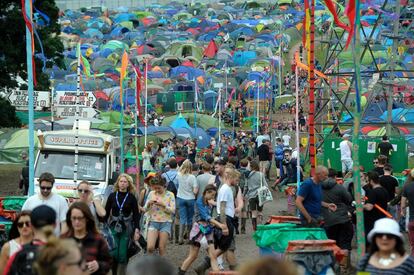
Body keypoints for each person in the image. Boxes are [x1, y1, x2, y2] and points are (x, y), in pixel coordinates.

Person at [179, 185, 227, 274]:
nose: (213, 197)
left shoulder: (208, 202)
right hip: (198, 231)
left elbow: (208, 218)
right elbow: (206, 216)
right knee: (193, 256)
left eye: (214, 196)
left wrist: (214, 223)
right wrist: (219, 224)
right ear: (206, 192)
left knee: (212, 256)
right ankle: (180, 272)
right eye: (212, 195)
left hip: (208, 231)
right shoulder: (199, 202)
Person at [4, 205, 56, 275]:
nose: (24, 226)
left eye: (27, 224)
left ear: (32, 225)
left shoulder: (17, 254)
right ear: (54, 225)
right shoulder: (63, 253)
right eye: (20, 224)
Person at [105, 174, 141, 275]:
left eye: (125, 182)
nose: (123, 183)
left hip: (126, 227)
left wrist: (137, 230)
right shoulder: (112, 196)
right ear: (118, 183)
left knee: (122, 254)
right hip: (113, 226)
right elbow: (106, 212)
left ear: (128, 184)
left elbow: (136, 215)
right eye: (121, 181)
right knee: (113, 253)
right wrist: (102, 227)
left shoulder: (131, 197)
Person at [62, 202, 112, 275]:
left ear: (87, 219)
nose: (77, 222)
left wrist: (98, 265)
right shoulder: (63, 239)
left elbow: (108, 263)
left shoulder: (98, 239)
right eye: (74, 218)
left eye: (80, 218)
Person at [321, 169, 354, 272]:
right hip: (342, 219)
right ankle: (344, 268)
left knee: (330, 244)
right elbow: (349, 199)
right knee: (344, 244)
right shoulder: (339, 188)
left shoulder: (318, 188)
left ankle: (332, 267)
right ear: (335, 176)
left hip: (327, 221)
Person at [144, 174, 175, 256]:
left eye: (159, 188)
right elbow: (145, 209)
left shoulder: (170, 195)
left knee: (162, 247)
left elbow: (173, 211)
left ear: (164, 185)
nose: (157, 190)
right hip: (153, 221)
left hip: (166, 222)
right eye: (155, 188)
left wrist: (163, 205)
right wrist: (148, 204)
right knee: (150, 247)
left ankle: (161, 266)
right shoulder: (151, 193)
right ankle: (150, 264)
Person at [364, 171, 389, 247]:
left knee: (371, 241)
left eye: (367, 181)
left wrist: (360, 206)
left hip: (372, 221)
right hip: (382, 219)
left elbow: (369, 207)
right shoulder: (384, 190)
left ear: (371, 181)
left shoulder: (373, 192)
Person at [176, 160, 199, 245]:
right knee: (189, 219)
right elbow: (195, 191)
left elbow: (179, 170)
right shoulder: (192, 177)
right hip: (190, 199)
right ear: (191, 167)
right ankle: (189, 237)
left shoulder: (179, 175)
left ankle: (180, 238)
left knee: (182, 218)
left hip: (180, 198)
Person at [245, 161, 268, 231]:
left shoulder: (247, 176)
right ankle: (260, 224)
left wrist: (244, 195)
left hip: (251, 195)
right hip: (260, 195)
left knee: (253, 213)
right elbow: (265, 185)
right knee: (260, 211)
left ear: (251, 167)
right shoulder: (261, 174)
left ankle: (254, 227)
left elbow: (246, 186)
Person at [401, 168, 414, 255]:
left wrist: (403, 212)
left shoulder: (407, 186)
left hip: (412, 220)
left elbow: (403, 204)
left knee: (413, 244)